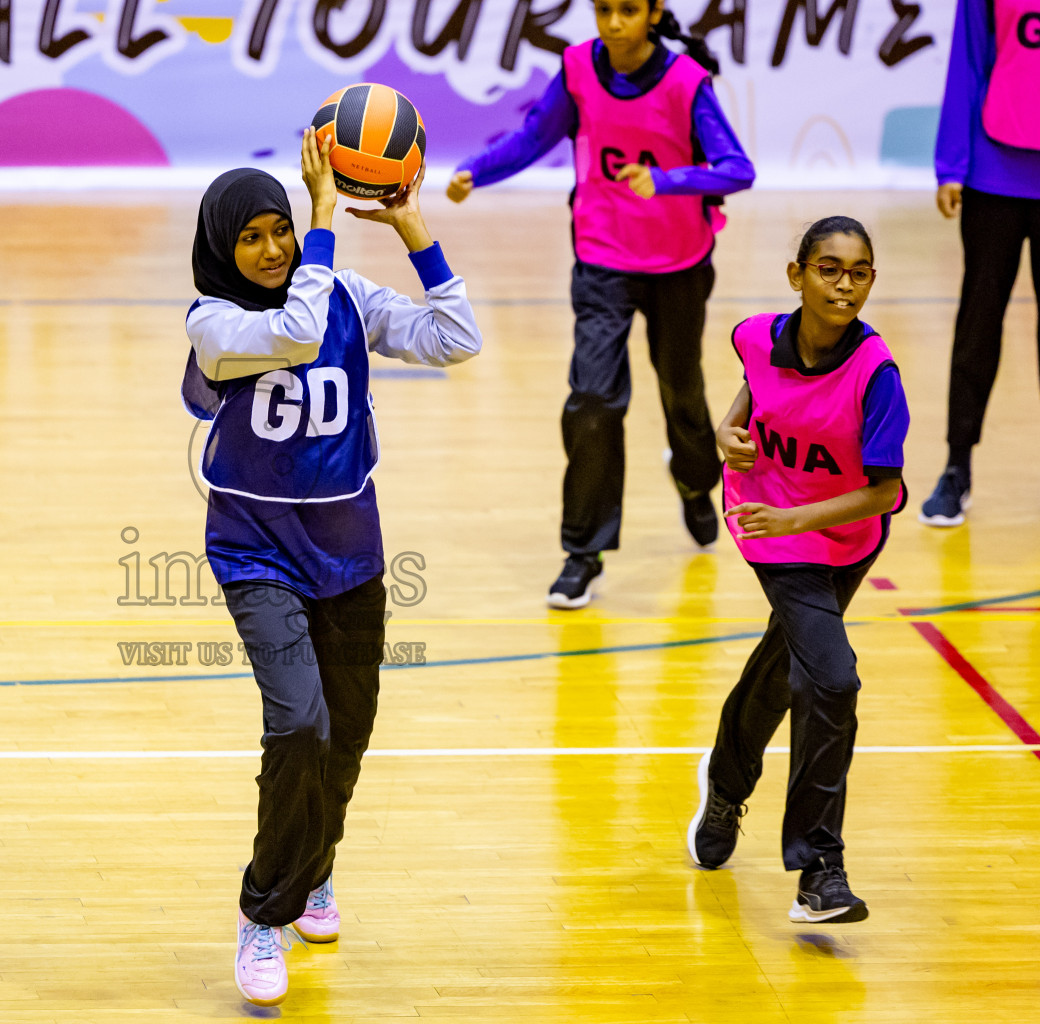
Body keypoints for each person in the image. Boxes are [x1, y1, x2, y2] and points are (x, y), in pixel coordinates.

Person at [183, 131, 482, 1005]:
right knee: (300, 726)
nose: (275, 248)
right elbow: (298, 330)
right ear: (220, 248)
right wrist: (322, 219)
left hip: (351, 553)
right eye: (254, 236)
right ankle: (261, 914)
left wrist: (413, 227)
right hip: (256, 552)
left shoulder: (344, 290)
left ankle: (315, 869)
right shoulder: (214, 324)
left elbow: (456, 337)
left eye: (283, 229)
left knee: (346, 738)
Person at [447, 0, 754, 608]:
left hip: (679, 264)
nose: (614, 24)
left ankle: (695, 483)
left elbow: (737, 169)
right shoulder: (579, 69)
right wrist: (475, 172)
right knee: (592, 400)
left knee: (683, 394)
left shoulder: (687, 80)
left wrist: (667, 181)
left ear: (654, 12)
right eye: (604, 10)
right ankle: (582, 552)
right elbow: (536, 136)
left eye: (628, 11)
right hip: (602, 258)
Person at [687, 218, 909, 924]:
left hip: (843, 535)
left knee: (793, 663)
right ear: (797, 276)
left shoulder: (877, 375)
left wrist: (800, 520)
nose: (845, 284)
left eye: (860, 272)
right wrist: (727, 429)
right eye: (829, 268)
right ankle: (819, 868)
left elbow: (887, 492)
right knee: (832, 675)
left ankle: (725, 780)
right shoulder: (756, 334)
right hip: (768, 525)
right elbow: (753, 388)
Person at [921, 0, 1040, 527]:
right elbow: (967, 62)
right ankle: (957, 467)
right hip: (996, 171)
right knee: (978, 322)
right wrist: (951, 162)